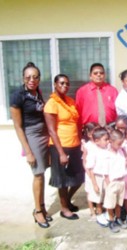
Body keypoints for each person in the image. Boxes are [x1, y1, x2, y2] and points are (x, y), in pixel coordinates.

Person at [10, 62, 51, 228]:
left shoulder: (37, 93)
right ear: (23, 78)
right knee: (38, 173)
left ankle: (42, 206)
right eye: (28, 77)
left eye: (35, 77)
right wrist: (28, 151)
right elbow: (18, 126)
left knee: (42, 173)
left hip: (43, 134)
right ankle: (37, 211)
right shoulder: (18, 96)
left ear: (39, 79)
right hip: (32, 135)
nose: (31, 80)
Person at [44, 74, 84, 220]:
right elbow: (51, 130)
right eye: (61, 83)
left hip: (74, 145)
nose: (64, 86)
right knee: (63, 180)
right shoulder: (51, 103)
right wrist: (61, 153)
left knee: (79, 177)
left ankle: (66, 201)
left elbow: (76, 124)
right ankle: (64, 208)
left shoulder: (70, 101)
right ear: (55, 84)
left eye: (67, 84)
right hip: (60, 146)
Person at [76, 63, 118, 128]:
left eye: (101, 73)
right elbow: (78, 112)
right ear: (90, 76)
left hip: (109, 129)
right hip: (90, 130)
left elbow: (118, 111)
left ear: (104, 75)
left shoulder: (112, 90)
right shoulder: (82, 91)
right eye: (95, 73)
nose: (99, 75)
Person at [103, 130, 127, 233]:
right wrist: (108, 183)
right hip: (112, 182)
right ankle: (111, 220)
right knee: (110, 204)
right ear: (111, 141)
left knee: (118, 203)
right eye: (118, 144)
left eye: (122, 143)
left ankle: (118, 218)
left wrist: (123, 149)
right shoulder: (106, 154)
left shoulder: (121, 151)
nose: (120, 145)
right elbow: (105, 171)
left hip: (121, 181)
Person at [85, 127, 110, 226]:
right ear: (96, 141)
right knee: (98, 198)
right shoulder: (93, 152)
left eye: (108, 139)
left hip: (107, 177)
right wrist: (94, 184)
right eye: (105, 140)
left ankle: (108, 214)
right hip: (97, 177)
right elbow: (90, 169)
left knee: (107, 196)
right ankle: (99, 215)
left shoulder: (108, 150)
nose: (108, 142)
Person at [81, 122, 99, 220]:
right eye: (93, 133)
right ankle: (92, 212)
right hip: (89, 173)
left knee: (99, 191)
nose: (95, 135)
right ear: (88, 134)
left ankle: (101, 209)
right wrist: (88, 173)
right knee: (90, 192)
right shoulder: (87, 146)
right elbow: (84, 161)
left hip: (99, 172)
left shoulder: (101, 144)